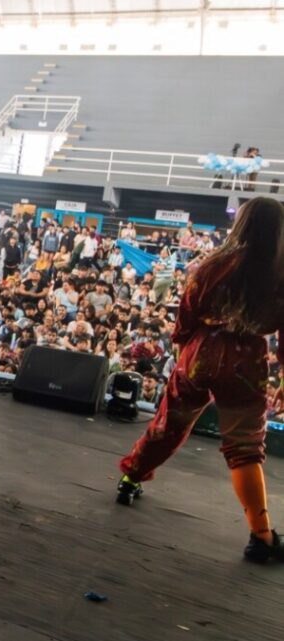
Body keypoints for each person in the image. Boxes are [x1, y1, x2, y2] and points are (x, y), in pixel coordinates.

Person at [116, 197, 284, 563]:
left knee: (169, 423)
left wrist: (182, 349)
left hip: (200, 354)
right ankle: (262, 536)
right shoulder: (281, 272)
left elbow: (187, 313)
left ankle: (131, 478)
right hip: (246, 364)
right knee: (244, 447)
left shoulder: (214, 264)